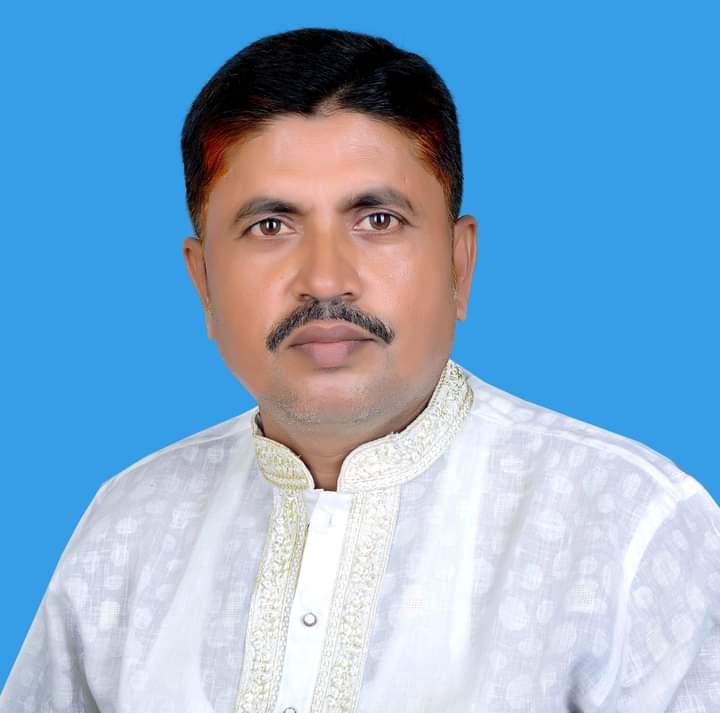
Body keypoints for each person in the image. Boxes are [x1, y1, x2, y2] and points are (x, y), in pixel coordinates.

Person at [2, 27, 718, 713]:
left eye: (378, 220)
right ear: (203, 283)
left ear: (459, 263)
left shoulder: (631, 530)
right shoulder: (128, 527)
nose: (324, 280)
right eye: (270, 226)